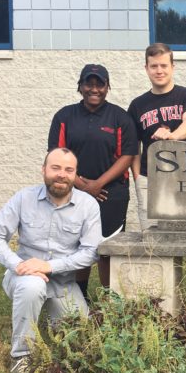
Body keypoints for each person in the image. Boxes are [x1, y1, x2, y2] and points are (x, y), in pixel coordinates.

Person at [0, 148, 102, 373]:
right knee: (32, 286)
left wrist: (50, 266)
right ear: (44, 170)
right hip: (23, 278)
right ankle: (22, 357)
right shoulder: (23, 198)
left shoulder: (88, 205)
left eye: (69, 170)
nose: (61, 174)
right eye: (55, 168)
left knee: (83, 342)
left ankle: (46, 314)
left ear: (75, 175)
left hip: (63, 284)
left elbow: (91, 253)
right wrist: (18, 265)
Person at [48, 64, 137, 295]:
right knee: (79, 246)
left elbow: (128, 155)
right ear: (80, 86)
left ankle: (110, 297)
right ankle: (81, 295)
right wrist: (81, 185)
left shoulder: (120, 117)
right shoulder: (64, 116)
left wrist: (97, 185)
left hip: (112, 194)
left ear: (108, 87)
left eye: (100, 84)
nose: (94, 89)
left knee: (107, 248)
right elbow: (56, 155)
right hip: (73, 192)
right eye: (89, 83)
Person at [128, 43, 186, 228]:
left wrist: (171, 136)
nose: (159, 71)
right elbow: (134, 147)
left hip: (182, 175)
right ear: (146, 69)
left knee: (179, 234)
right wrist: (137, 178)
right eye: (154, 66)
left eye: (163, 65)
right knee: (150, 235)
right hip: (148, 177)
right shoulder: (137, 105)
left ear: (172, 67)